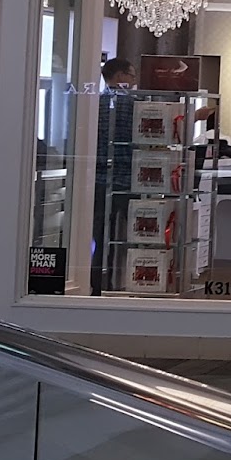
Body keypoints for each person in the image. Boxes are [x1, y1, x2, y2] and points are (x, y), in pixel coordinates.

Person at [92, 57, 136, 294]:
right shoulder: (131, 103)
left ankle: (98, 285)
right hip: (127, 178)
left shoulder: (94, 103)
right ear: (120, 76)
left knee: (100, 237)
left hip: (98, 179)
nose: (134, 81)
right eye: (131, 75)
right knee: (137, 235)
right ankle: (133, 281)